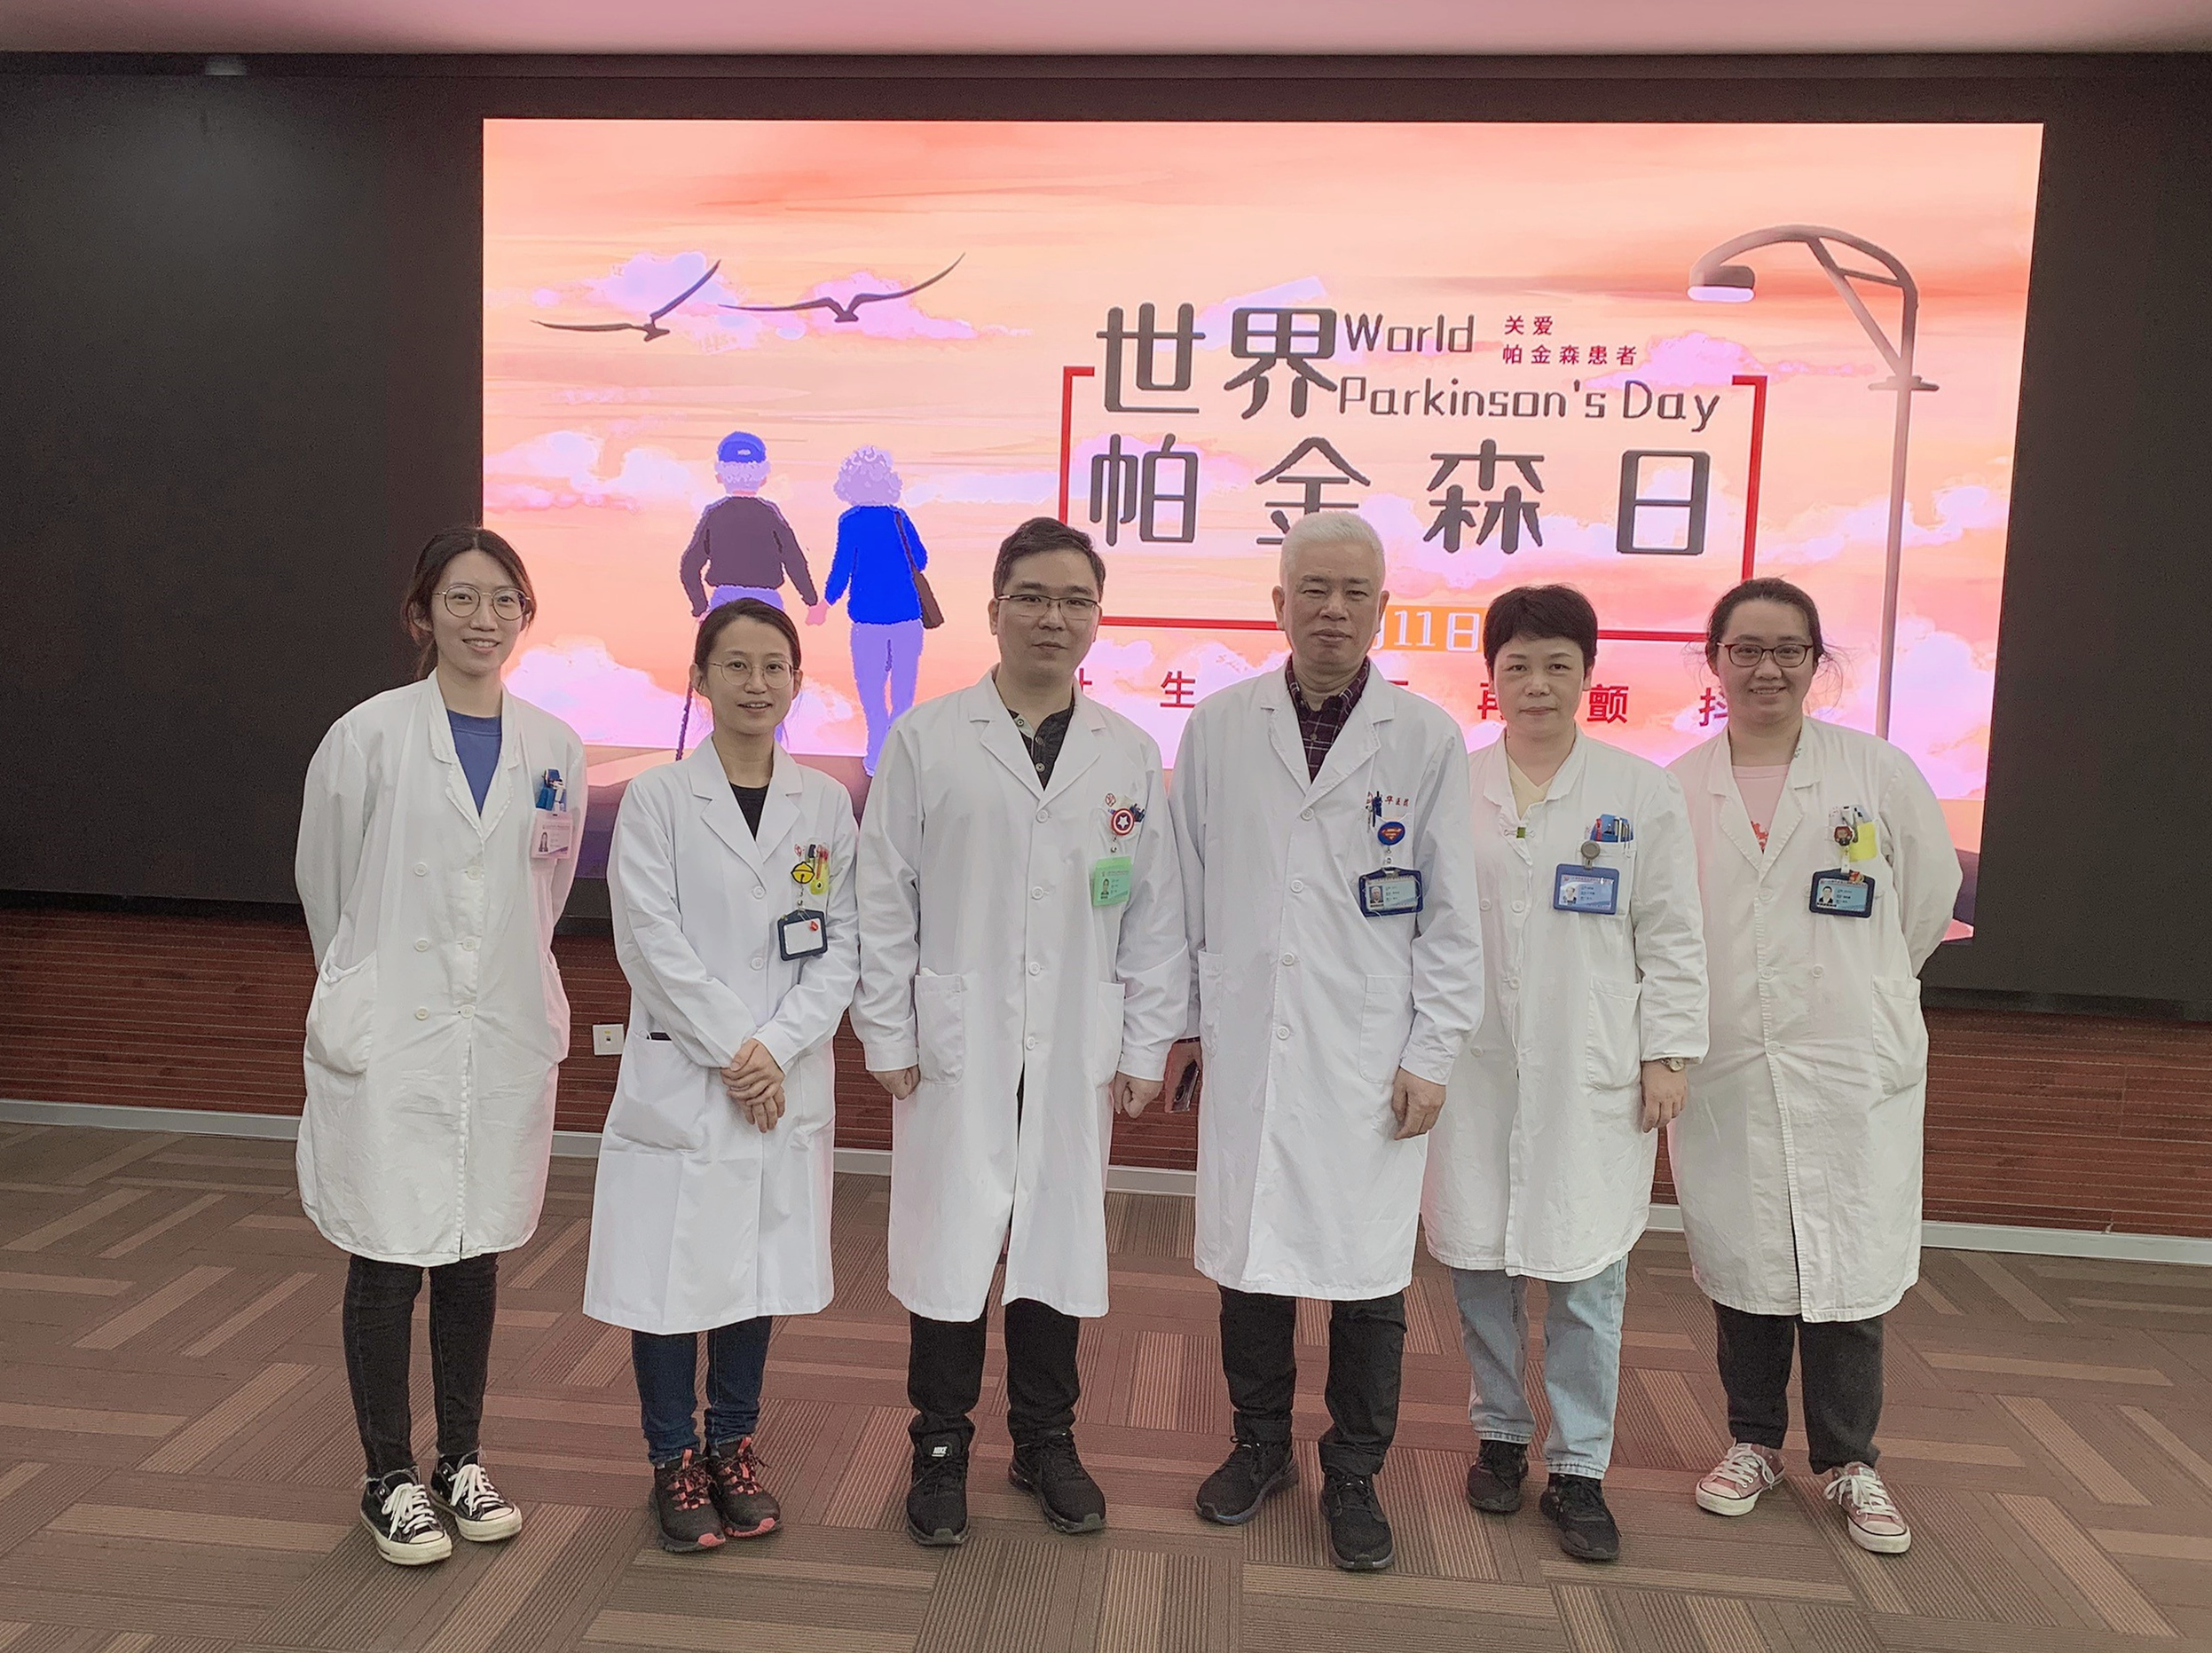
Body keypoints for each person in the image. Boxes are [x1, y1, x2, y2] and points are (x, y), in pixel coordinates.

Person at [852, 516, 1188, 1548]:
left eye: (1076, 601)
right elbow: (883, 897)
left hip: (1075, 1038)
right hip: (958, 1040)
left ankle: (1047, 1441)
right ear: (994, 608)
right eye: (1033, 597)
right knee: (953, 1245)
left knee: (1054, 1243)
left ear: (1097, 619)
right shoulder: (927, 740)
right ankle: (940, 1446)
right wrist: (888, 1030)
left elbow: (1155, 912)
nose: (1054, 618)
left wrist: (1144, 1045)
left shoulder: (1128, 753)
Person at [1164, 511, 1483, 1572]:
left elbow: (1451, 914)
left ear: (1383, 609)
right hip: (1252, 1034)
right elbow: (1184, 889)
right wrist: (1186, 1023)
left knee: (1366, 1273)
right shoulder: (1221, 727)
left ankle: (1353, 1472)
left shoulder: (1425, 738)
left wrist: (1433, 1051)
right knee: (1252, 1259)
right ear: (1280, 603)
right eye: (1314, 589)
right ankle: (1258, 1446)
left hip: (1369, 1051)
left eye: (1354, 592)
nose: (1333, 610)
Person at [295, 527, 586, 1566]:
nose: (483, 619)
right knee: (387, 1252)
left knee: (473, 1249)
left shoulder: (554, 746)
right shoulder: (367, 737)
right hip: (397, 1030)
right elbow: (329, 887)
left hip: (496, 1026)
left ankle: (461, 1459)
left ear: (524, 616)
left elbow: (546, 885)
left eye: (503, 599)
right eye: (461, 598)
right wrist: (370, 987)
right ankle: (387, 1476)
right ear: (422, 614)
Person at [1668, 577, 1960, 1556]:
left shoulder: (1876, 772)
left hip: (1846, 1055)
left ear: (1815, 660)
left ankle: (1848, 1460)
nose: (1767, 669)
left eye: (1788, 650)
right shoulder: (1677, 788)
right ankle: (1753, 1442)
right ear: (1714, 660)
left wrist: (1860, 989)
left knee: (1850, 1268)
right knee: (1744, 1260)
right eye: (1746, 649)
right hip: (1730, 1061)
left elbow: (1926, 900)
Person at [1419, 586, 1707, 1564]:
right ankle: (1501, 1434)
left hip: (1593, 1070)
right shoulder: (1451, 786)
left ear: (1588, 675)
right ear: (1490, 677)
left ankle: (1580, 1465)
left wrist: (1667, 1052)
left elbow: (1672, 933)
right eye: (1517, 666)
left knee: (1587, 1275)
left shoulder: (1638, 791)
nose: (1536, 684)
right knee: (1479, 1264)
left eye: (1557, 665)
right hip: (1475, 1068)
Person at [582, 600, 859, 1552]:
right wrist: (743, 1053)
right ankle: (673, 1457)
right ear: (699, 679)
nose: (755, 683)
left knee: (755, 1268)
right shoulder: (659, 799)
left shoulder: (824, 804)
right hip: (692, 1075)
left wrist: (777, 1050)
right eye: (734, 665)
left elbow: (843, 943)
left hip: (779, 1076)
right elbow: (648, 941)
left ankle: (733, 1446)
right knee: (667, 1274)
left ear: (796, 681)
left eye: (774, 665)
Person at [822, 445, 931, 775]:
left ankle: (876, 751)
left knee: (871, 693)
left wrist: (825, 602)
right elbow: (921, 558)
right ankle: (899, 756)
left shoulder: (850, 521)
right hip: (906, 618)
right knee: (902, 694)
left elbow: (841, 568)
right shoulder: (899, 517)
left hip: (867, 621)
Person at [678, 431, 825, 621]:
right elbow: (794, 560)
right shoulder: (771, 513)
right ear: (763, 477)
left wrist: (700, 608)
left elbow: (689, 566)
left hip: (724, 603)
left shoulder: (714, 514)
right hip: (768, 604)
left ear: (720, 475)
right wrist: (811, 602)